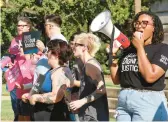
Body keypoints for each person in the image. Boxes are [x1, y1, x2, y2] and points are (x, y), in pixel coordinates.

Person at [110, 11, 168, 121]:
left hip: (147, 101)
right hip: (124, 102)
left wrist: (140, 47)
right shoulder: (129, 50)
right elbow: (116, 80)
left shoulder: (162, 48)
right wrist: (112, 55)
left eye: (144, 23)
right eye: (137, 23)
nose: (139, 26)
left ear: (154, 28)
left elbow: (150, 76)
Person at [23, 39, 73, 121]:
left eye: (49, 50)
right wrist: (29, 95)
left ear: (56, 54)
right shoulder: (51, 70)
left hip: (53, 116)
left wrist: (35, 97)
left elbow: (55, 97)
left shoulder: (61, 72)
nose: (46, 53)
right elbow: (38, 85)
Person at [69, 33, 109, 121]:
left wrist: (81, 102)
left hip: (93, 116)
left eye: (76, 44)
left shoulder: (90, 65)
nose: (73, 47)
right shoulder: (86, 65)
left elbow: (102, 89)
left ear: (84, 47)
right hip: (88, 114)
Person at [7, 16, 34, 121]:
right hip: (14, 77)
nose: (19, 27)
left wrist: (24, 52)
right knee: (17, 110)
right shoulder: (14, 40)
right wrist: (10, 64)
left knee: (26, 111)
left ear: (28, 27)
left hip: (27, 79)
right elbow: (13, 57)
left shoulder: (30, 38)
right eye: (18, 25)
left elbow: (31, 59)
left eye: (22, 26)